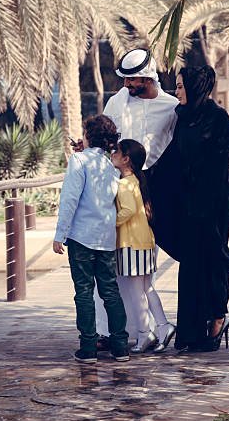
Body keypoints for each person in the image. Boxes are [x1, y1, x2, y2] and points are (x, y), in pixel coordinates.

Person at [149, 65, 229, 353]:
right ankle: (191, 333)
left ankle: (217, 317)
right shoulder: (183, 117)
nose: (177, 91)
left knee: (211, 259)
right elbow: (173, 156)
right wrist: (143, 180)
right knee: (191, 265)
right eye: (176, 85)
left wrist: (201, 202)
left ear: (197, 87)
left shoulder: (218, 118)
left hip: (212, 202)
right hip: (188, 203)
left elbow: (215, 164)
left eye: (181, 86)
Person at [98, 48, 179, 343]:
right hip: (118, 183)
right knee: (115, 263)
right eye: (125, 80)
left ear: (148, 78)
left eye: (133, 81)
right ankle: (112, 331)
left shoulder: (171, 107)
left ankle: (144, 330)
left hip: (154, 189)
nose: (127, 86)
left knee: (142, 269)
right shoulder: (116, 102)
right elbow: (106, 140)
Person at [53, 115, 129, 364]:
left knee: (84, 292)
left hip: (81, 238)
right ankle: (120, 347)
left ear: (87, 135)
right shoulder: (110, 165)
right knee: (110, 291)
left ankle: (88, 348)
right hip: (106, 237)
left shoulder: (78, 160)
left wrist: (59, 234)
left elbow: (70, 199)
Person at [111, 139, 176, 353]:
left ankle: (144, 333)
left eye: (116, 152)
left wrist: (109, 223)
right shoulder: (136, 180)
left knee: (137, 292)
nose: (112, 154)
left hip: (131, 243)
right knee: (147, 288)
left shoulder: (123, 184)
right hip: (144, 241)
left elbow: (127, 210)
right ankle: (163, 327)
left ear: (126, 159)